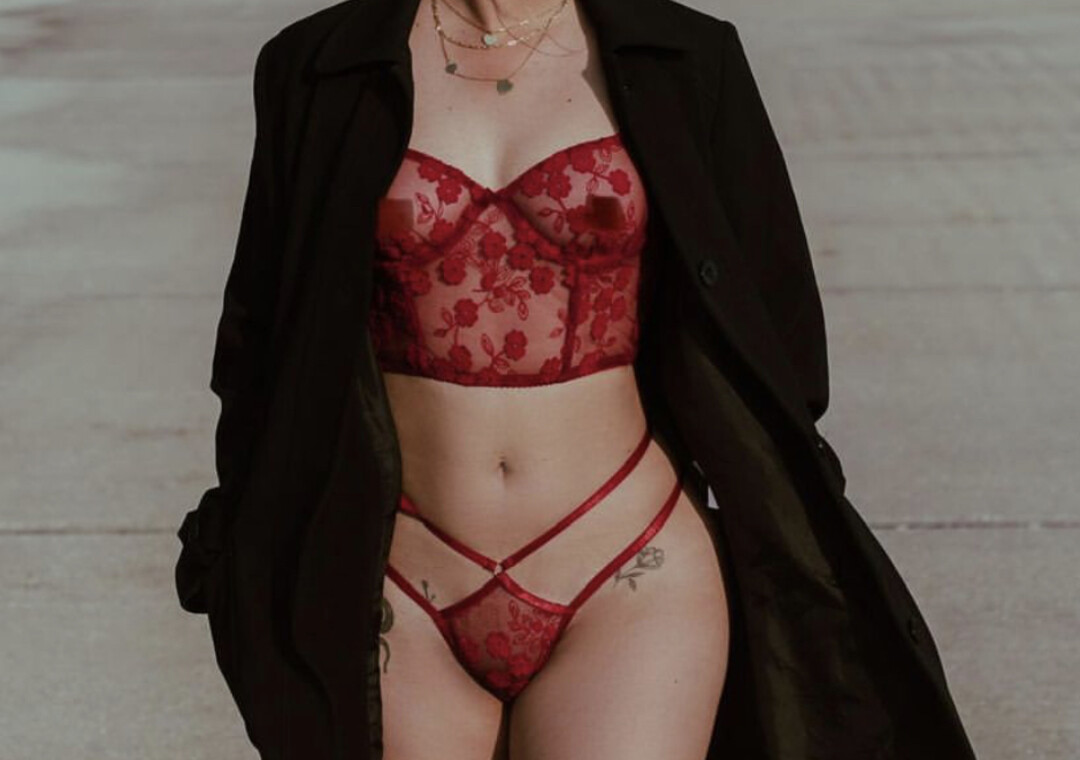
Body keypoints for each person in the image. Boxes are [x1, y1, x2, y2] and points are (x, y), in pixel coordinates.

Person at [175, 0, 979, 757]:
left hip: (626, 567)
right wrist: (246, 544)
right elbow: (262, 337)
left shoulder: (685, 58)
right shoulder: (319, 66)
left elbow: (776, 324)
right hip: (397, 579)